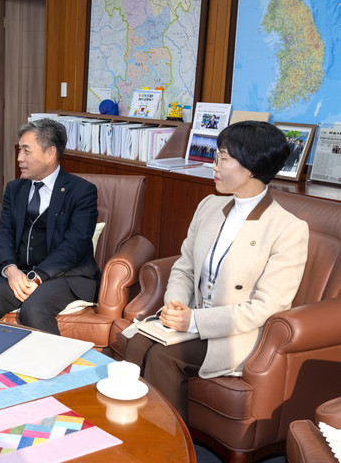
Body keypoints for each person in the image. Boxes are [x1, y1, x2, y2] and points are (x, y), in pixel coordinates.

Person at [124, 120, 309, 422]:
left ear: (251, 168)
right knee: (137, 341)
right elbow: (184, 267)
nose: (215, 166)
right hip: (190, 319)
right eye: (216, 157)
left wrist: (195, 321)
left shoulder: (288, 229)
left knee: (162, 355)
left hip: (236, 334)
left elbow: (267, 307)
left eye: (223, 158)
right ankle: (129, 432)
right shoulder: (209, 205)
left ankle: (169, 443)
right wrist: (175, 305)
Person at [0, 119, 100, 334]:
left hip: (66, 276)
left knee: (34, 310)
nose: (19, 158)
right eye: (19, 150)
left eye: (26, 151)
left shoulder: (81, 191)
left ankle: (59, 358)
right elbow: (4, 233)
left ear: (50, 153)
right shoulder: (15, 188)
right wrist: (11, 270)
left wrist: (38, 276)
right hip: (20, 272)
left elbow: (75, 245)